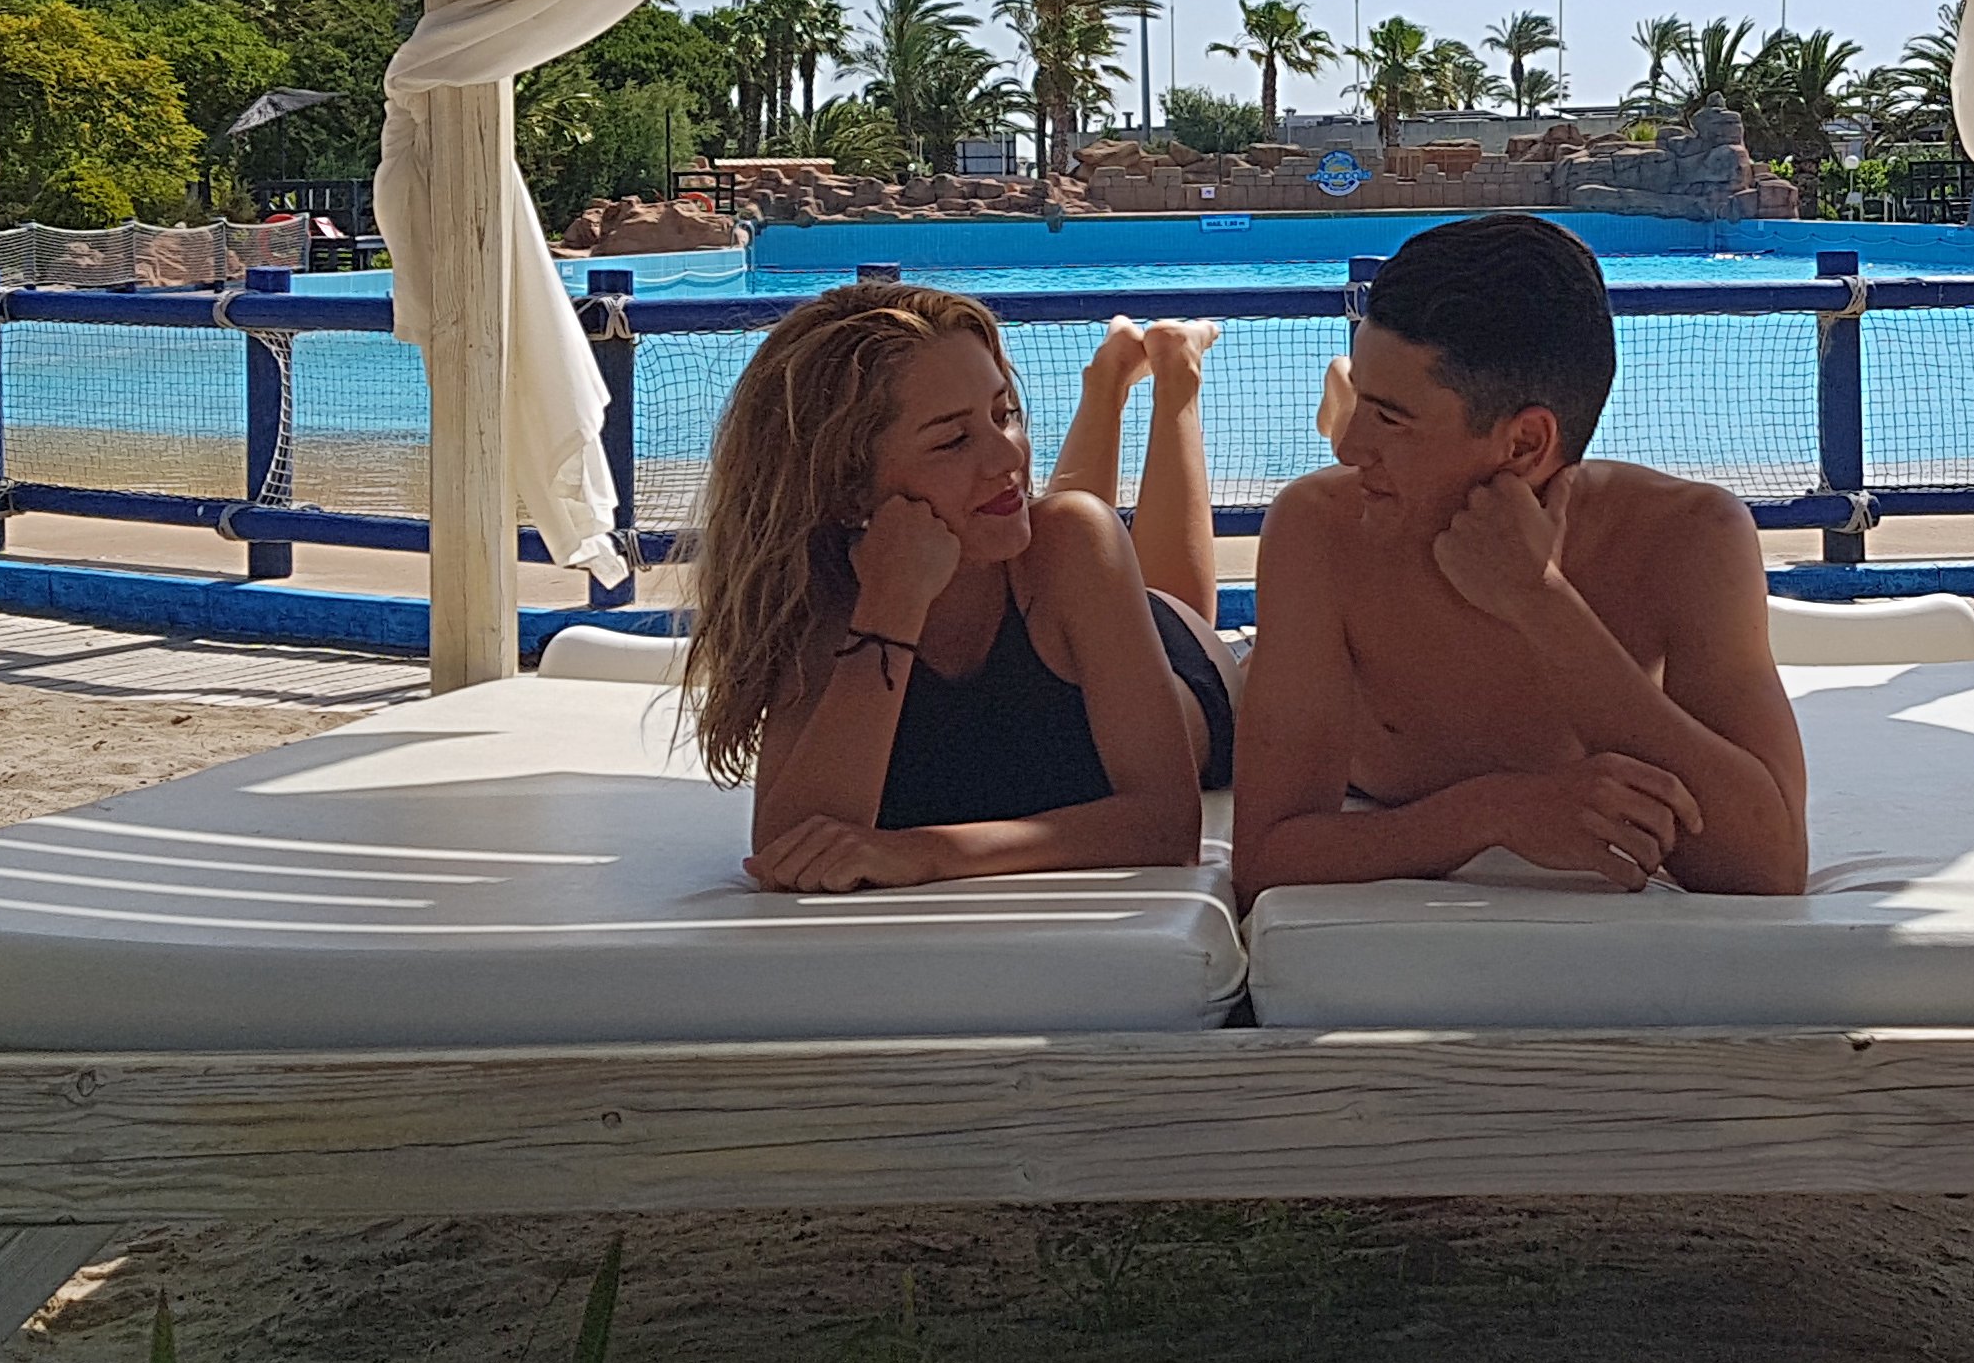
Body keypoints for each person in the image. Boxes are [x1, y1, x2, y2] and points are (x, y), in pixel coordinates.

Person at [1233, 214, 1809, 900]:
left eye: (1388, 418)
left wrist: (1539, 601)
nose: (1350, 449)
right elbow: (1265, 857)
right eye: (1364, 404)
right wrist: (1494, 812)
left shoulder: (1688, 535)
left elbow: (1768, 867)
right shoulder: (1323, 525)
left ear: (1524, 445)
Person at [685, 282, 1237, 893]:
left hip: (1170, 651)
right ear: (846, 488)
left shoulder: (1070, 544)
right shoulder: (821, 600)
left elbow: (1167, 827)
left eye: (1005, 415)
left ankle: (1175, 375)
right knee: (1047, 529)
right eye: (953, 440)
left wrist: (926, 853)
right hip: (1047, 599)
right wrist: (893, 603)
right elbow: (790, 847)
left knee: (1103, 545)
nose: (1010, 455)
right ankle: (1108, 382)